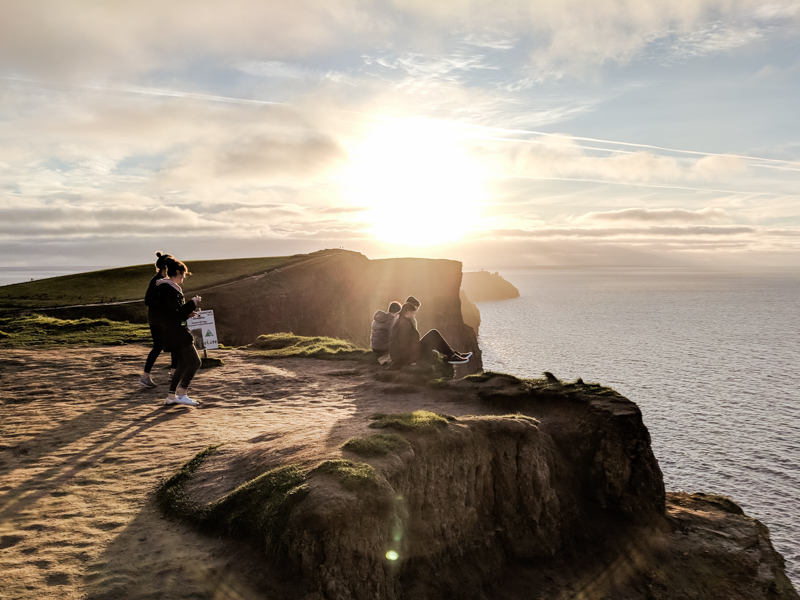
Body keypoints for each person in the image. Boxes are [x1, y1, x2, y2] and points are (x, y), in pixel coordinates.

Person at [154, 257, 202, 406]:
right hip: (177, 333)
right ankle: (182, 393)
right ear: (176, 272)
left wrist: (187, 313)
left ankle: (171, 396)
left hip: (171, 332)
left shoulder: (166, 289)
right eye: (182, 274)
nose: (184, 277)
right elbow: (175, 313)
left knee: (182, 364)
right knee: (195, 362)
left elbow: (172, 313)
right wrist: (191, 303)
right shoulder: (168, 290)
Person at [388, 300, 472, 369]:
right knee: (433, 334)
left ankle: (453, 354)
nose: (413, 316)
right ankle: (452, 356)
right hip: (408, 357)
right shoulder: (404, 324)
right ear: (407, 312)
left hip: (404, 355)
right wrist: (410, 361)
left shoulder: (400, 319)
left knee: (433, 334)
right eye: (413, 313)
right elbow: (403, 344)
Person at [139, 251, 176, 388]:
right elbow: (148, 300)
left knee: (173, 345)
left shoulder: (166, 281)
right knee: (159, 347)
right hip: (158, 320)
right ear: (165, 267)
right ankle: (145, 376)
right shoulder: (156, 281)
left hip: (164, 319)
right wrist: (164, 304)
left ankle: (173, 373)